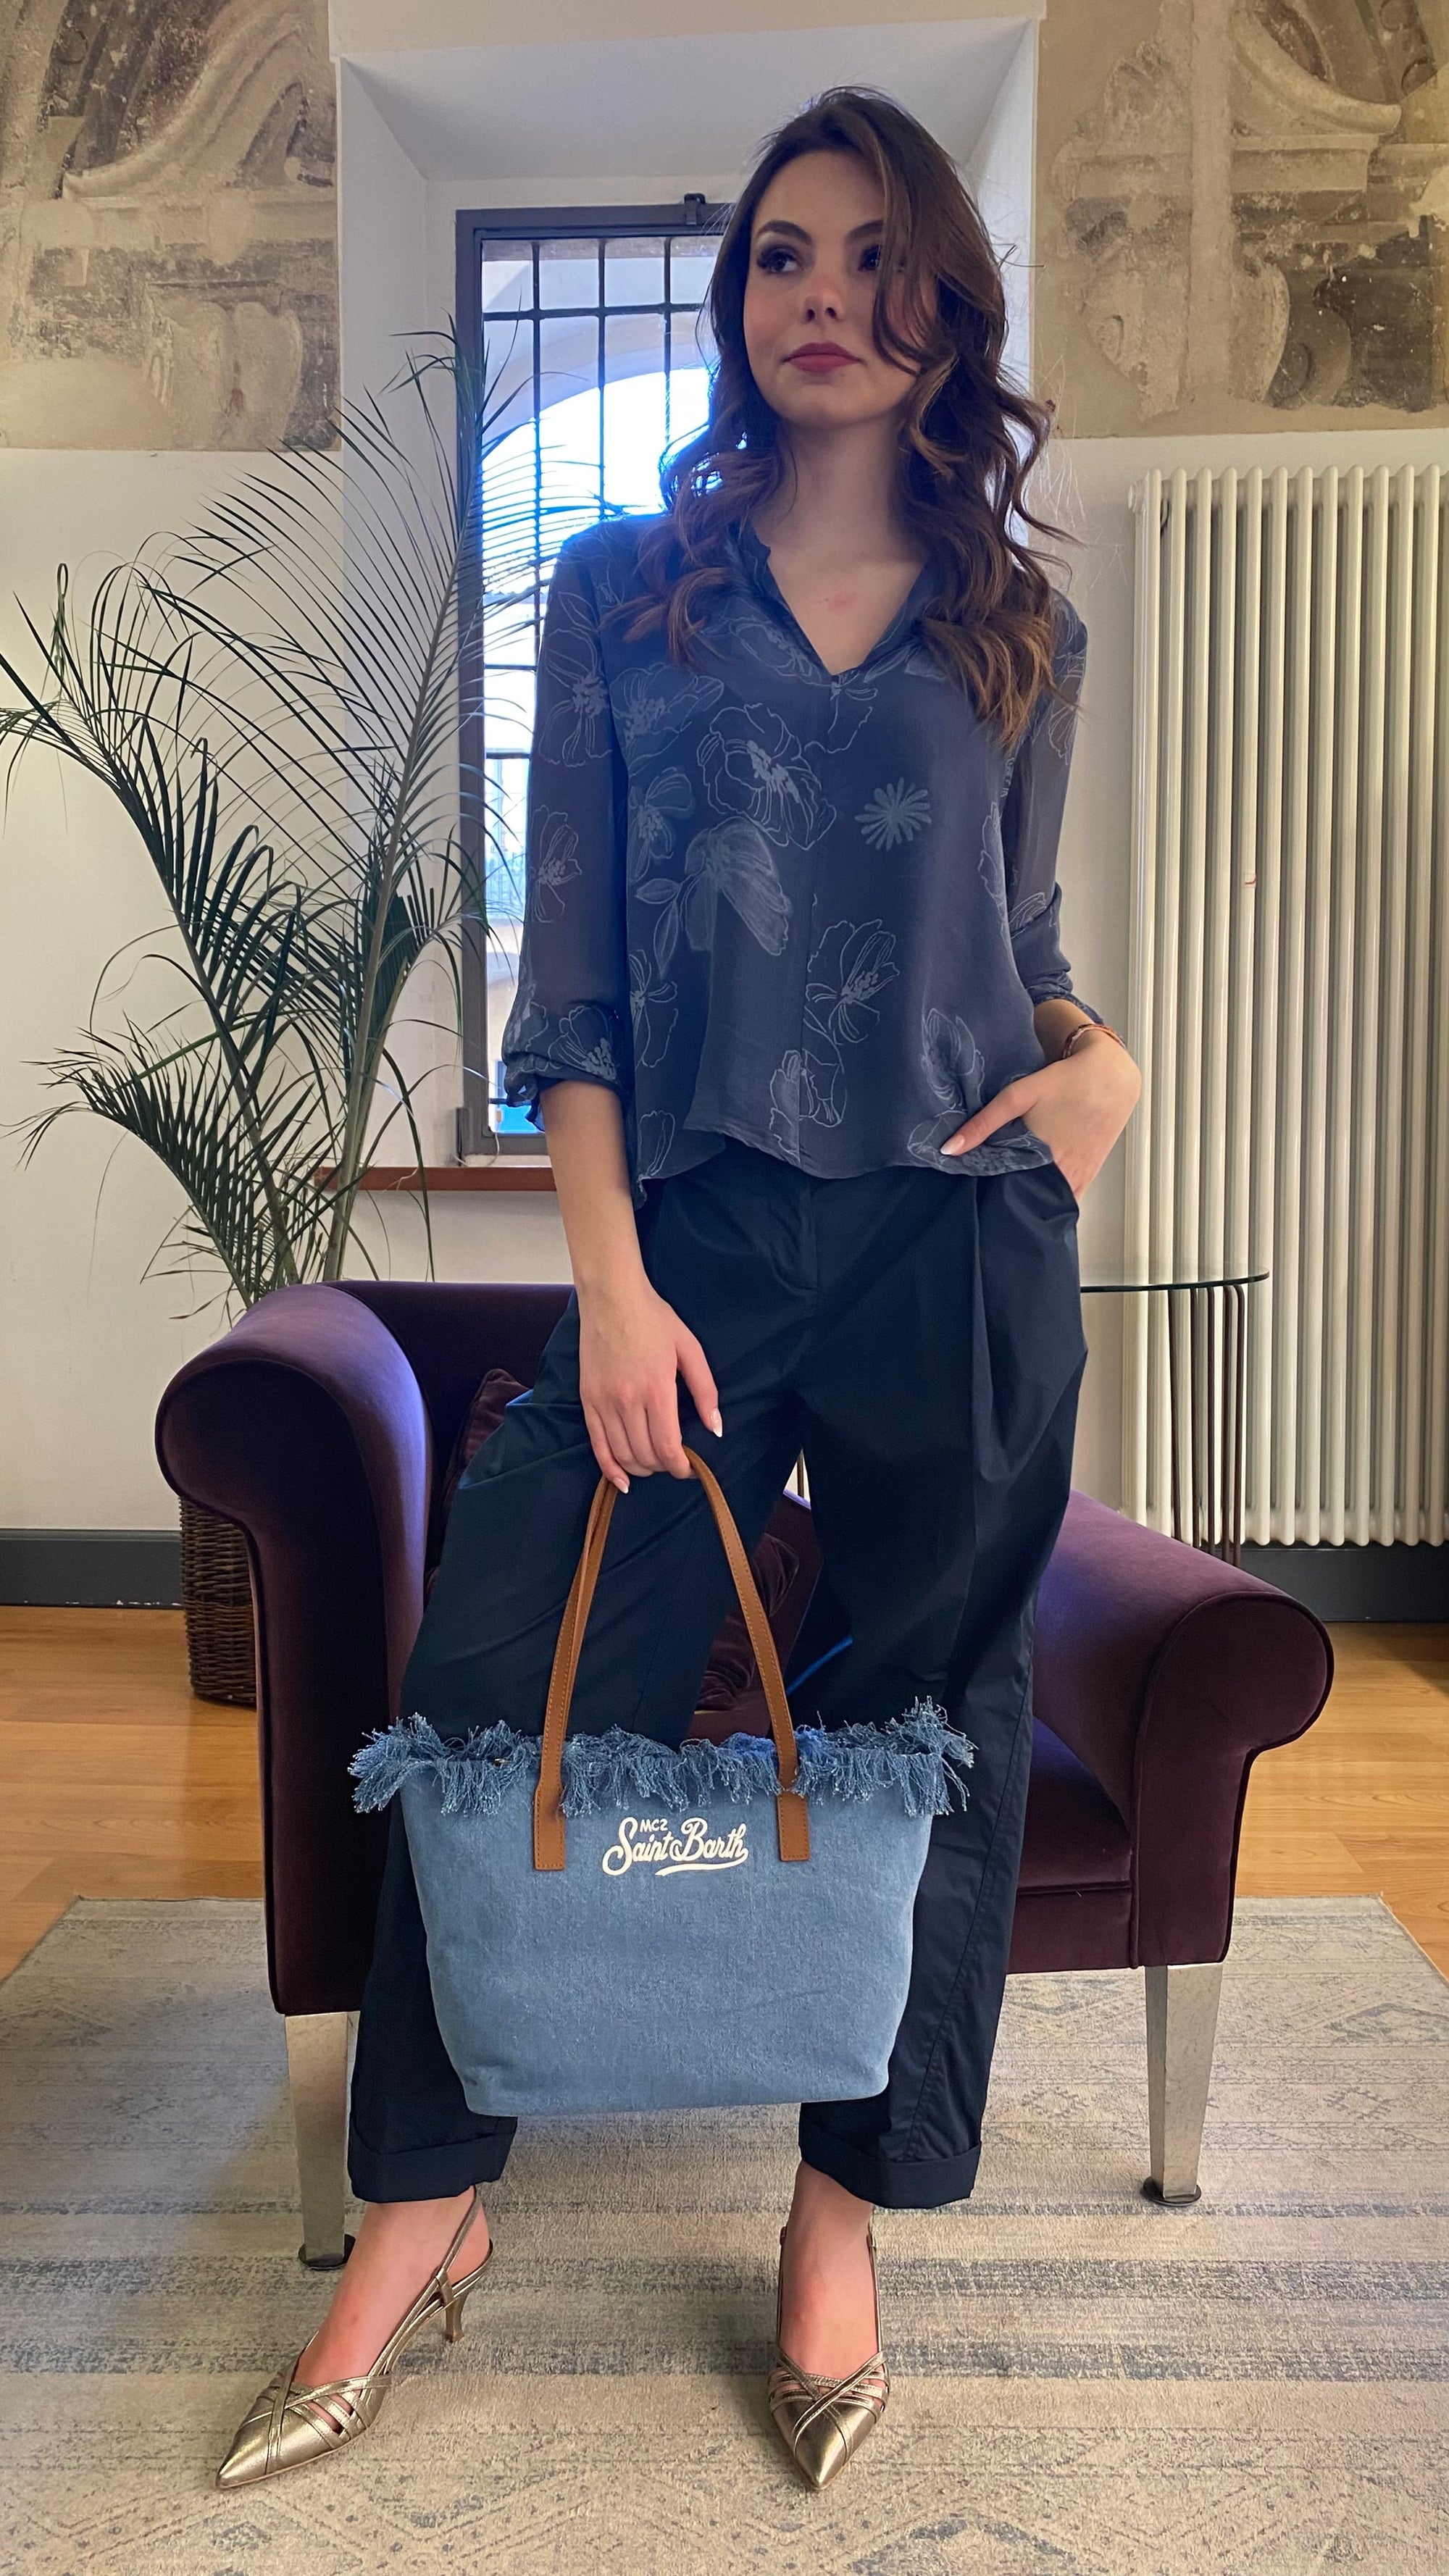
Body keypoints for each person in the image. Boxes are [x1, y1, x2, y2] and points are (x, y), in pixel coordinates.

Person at [217, 84, 1141, 2496]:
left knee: (930, 1727)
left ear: (946, 307)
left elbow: (1019, 946)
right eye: (783, 257)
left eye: (875, 256)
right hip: (696, 1244)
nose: (823, 296)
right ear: (744, 304)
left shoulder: (1019, 625)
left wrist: (1104, 1063)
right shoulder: (629, 591)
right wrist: (611, 1291)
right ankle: (420, 2212)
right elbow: (578, 994)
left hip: (958, 1243)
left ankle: (842, 2226)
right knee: (493, 1689)